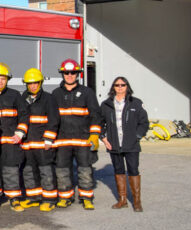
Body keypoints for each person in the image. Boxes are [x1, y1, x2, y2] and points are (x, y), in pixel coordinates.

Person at [51, 59, 102, 210]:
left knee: (85, 170)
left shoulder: (87, 93)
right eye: (66, 73)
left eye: (73, 72)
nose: (69, 75)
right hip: (63, 140)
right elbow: (52, 118)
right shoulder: (56, 94)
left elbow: (96, 115)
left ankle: (86, 197)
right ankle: (65, 197)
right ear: (62, 74)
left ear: (78, 74)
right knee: (62, 170)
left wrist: (94, 134)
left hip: (83, 139)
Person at [0, 63, 29, 212]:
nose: (0, 82)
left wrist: (20, 133)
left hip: (10, 141)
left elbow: (24, 115)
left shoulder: (15, 95)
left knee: (11, 170)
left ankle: (14, 198)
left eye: (3, 79)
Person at [100, 77, 149, 212]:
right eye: (117, 85)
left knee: (133, 170)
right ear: (113, 87)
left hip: (131, 145)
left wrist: (137, 136)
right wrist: (103, 138)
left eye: (123, 85)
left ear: (127, 86)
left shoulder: (136, 103)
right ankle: (122, 200)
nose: (120, 87)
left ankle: (137, 201)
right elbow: (99, 123)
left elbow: (144, 123)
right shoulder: (106, 105)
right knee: (118, 170)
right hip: (114, 145)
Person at [19, 68, 60, 212]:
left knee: (46, 171)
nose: (33, 86)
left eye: (36, 83)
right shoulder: (23, 98)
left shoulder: (48, 98)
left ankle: (49, 199)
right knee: (29, 171)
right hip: (28, 143)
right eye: (30, 83)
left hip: (43, 143)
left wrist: (49, 139)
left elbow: (54, 120)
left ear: (40, 83)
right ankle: (33, 198)